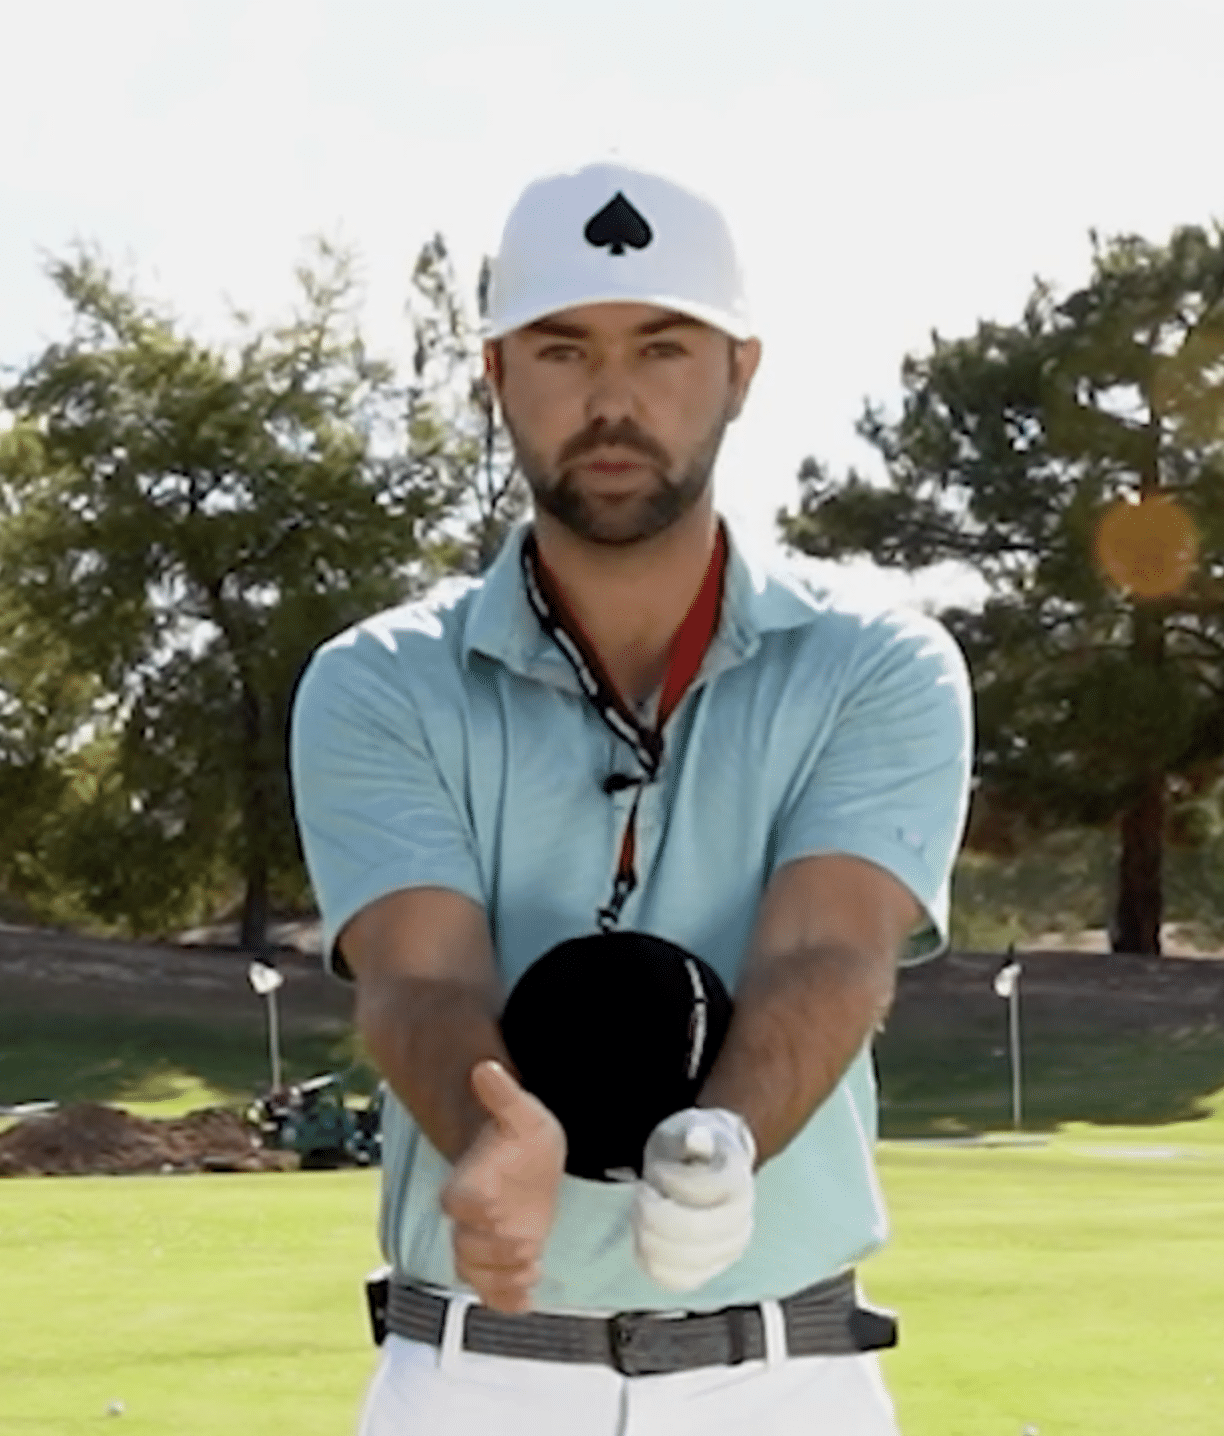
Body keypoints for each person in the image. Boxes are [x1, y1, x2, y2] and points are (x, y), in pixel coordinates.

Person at [289, 158, 972, 1436]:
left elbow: (830, 949)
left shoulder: (879, 663)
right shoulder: (375, 680)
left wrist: (716, 1141)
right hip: (472, 1382)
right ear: (495, 375)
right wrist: (494, 1130)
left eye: (662, 348)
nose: (611, 399)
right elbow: (421, 978)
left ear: (739, 372)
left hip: (784, 1380)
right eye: (560, 351)